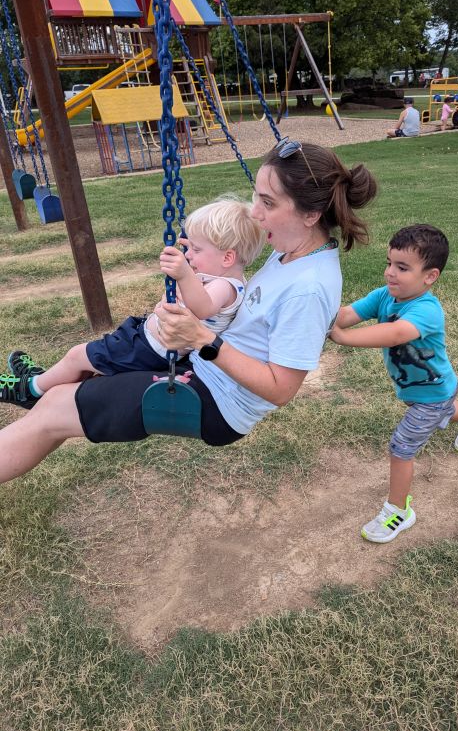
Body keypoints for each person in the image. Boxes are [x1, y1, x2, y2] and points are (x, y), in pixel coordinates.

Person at [0, 138, 377, 484]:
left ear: (311, 215)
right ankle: (34, 388)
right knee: (62, 393)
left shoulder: (308, 286)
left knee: (56, 409)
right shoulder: (293, 251)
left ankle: (33, 392)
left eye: (268, 202)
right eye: (255, 197)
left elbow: (281, 390)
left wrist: (204, 339)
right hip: (201, 367)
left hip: (217, 401)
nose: (254, 212)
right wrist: (203, 250)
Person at [2, 197, 266, 407]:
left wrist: (185, 274)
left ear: (228, 258)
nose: (189, 255)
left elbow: (202, 308)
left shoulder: (224, 286)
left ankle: (30, 390)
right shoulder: (215, 276)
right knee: (89, 364)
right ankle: (40, 380)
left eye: (196, 250)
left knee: (78, 356)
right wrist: (192, 268)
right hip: (146, 338)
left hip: (150, 349)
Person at [329, 224, 458, 544]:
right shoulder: (384, 296)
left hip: (430, 393)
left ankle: (399, 511)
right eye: (389, 263)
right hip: (431, 392)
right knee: (448, 408)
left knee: (401, 448)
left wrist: (344, 338)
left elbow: (397, 334)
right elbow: (348, 313)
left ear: (430, 276)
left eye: (402, 268)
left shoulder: (426, 310)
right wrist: (322, 319)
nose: (391, 273)